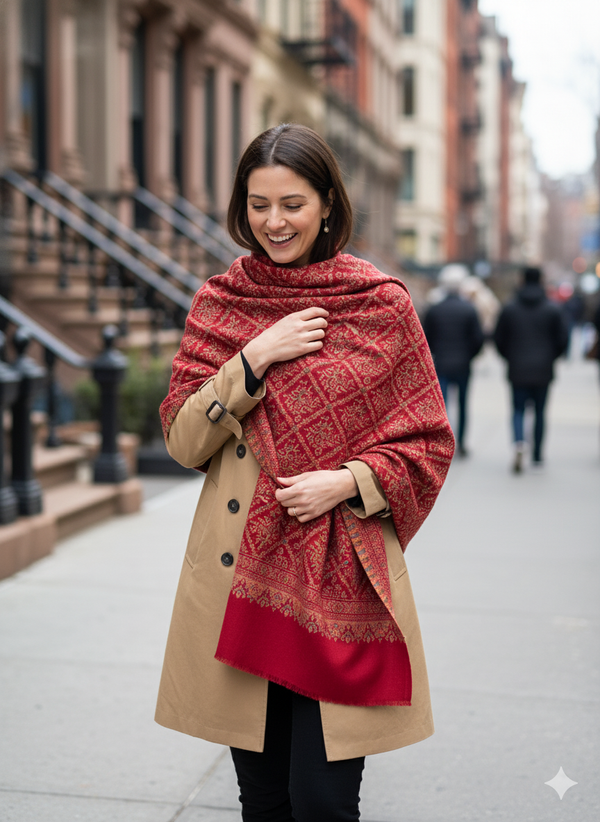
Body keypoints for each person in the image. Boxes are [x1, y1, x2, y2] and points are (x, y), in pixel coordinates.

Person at [155, 124, 454, 821]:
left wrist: (347, 481)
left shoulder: (381, 304)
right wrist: (254, 358)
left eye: (291, 203)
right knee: (262, 801)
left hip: (337, 586)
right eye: (258, 204)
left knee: (322, 803)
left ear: (326, 203)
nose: (273, 222)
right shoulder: (222, 302)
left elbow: (429, 442)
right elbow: (182, 439)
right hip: (240, 584)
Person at [493, 266, 568, 473]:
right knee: (540, 412)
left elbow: (498, 338)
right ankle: (537, 454)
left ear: (522, 280)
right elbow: (563, 339)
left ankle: (519, 442)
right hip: (543, 369)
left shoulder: (509, 308)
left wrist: (509, 357)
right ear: (541, 280)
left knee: (518, 409)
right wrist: (550, 357)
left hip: (517, 368)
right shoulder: (552, 309)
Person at [422, 264, 484, 457]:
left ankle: (442, 446)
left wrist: (436, 353)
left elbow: (425, 338)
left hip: (441, 363)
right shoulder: (469, 309)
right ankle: (462, 443)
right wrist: (469, 355)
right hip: (463, 364)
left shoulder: (434, 309)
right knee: (463, 405)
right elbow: (478, 339)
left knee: (443, 407)